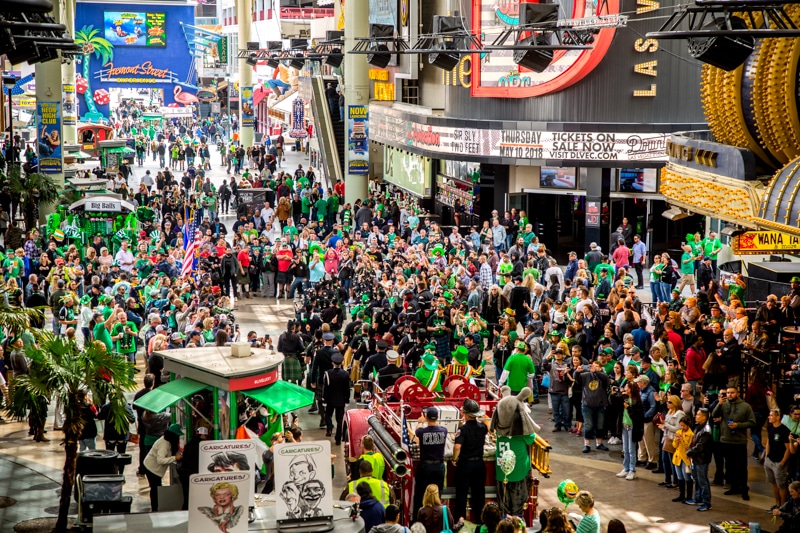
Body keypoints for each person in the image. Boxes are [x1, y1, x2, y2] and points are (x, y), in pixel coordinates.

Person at [712, 386, 756, 500]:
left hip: (739, 441)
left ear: (737, 393)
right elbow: (714, 415)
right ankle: (734, 487)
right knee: (730, 466)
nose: (730, 395)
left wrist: (738, 425)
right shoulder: (724, 404)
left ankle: (744, 489)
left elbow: (752, 422)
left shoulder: (745, 406)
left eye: (732, 393)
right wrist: (719, 404)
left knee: (741, 467)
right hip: (726, 440)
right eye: (728, 393)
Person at [452, 399, 488, 522]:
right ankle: (480, 523)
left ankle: (460, 523)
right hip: (479, 464)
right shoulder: (483, 427)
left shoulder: (462, 429)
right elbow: (488, 428)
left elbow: (457, 447)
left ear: (465, 414)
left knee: (461, 495)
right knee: (479, 496)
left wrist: (454, 459)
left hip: (465, 464)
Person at [412, 407, 447, 517]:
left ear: (426, 417)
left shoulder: (421, 432)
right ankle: (437, 517)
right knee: (437, 494)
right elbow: (441, 427)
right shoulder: (443, 431)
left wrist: (420, 421)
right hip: (439, 467)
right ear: (437, 417)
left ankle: (419, 518)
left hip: (425, 467)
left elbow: (417, 430)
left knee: (420, 494)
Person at [143, 423, 183, 512]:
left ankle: (156, 507)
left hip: (155, 469)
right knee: (155, 489)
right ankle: (155, 509)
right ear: (173, 435)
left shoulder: (168, 441)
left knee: (156, 488)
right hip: (151, 468)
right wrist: (175, 458)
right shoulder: (163, 444)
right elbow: (160, 460)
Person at [685, 408, 714, 511]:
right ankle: (698, 498)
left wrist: (689, 452)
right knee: (696, 479)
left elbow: (700, 446)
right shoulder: (698, 427)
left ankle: (706, 502)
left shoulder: (706, 430)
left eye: (698, 415)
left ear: (704, 417)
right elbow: (694, 442)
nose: (695, 416)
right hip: (696, 458)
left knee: (703, 481)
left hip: (702, 459)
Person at [765, 408, 792, 512]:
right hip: (770, 461)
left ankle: (783, 506)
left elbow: (788, 448)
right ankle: (777, 504)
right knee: (773, 483)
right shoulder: (771, 428)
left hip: (779, 462)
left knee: (781, 485)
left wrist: (782, 462)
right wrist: (767, 455)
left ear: (777, 417)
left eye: (771, 415)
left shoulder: (784, 430)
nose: (769, 417)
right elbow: (768, 441)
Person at [322, 350, 350, 445]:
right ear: (341, 363)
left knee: (328, 415)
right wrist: (347, 399)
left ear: (332, 363)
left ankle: (329, 429)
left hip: (330, 400)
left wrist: (324, 399)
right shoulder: (345, 374)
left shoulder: (327, 374)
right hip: (341, 400)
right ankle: (338, 438)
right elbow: (347, 388)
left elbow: (325, 388)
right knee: (340, 419)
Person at [616, 380, 643, 481]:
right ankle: (626, 468)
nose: (625, 388)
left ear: (631, 389)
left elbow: (638, 416)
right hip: (624, 425)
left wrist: (629, 408)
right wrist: (617, 394)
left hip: (632, 427)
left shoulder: (636, 401)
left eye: (627, 387)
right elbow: (613, 402)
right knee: (625, 449)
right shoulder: (624, 398)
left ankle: (632, 470)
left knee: (632, 450)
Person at [178, 426, 210, 510]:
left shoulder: (189, 444)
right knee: (193, 497)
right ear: (202, 435)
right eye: (206, 436)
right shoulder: (200, 447)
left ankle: (185, 510)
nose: (206, 438)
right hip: (192, 474)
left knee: (187, 496)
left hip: (185, 474)